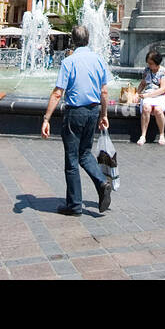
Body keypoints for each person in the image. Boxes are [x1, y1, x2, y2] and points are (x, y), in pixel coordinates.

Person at [41, 24, 112, 216]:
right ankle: (102, 182)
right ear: (88, 39)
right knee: (85, 153)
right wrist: (103, 114)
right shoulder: (99, 60)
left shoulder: (69, 62)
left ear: (72, 40)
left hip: (75, 113)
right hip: (93, 110)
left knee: (72, 159)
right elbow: (104, 91)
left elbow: (58, 93)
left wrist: (46, 118)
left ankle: (74, 205)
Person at [136, 49, 165, 145]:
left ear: (157, 63)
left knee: (158, 110)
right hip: (148, 96)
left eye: (151, 63)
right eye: (148, 63)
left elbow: (163, 89)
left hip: (159, 96)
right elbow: (143, 83)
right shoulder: (147, 70)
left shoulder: (164, 72)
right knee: (146, 108)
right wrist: (137, 93)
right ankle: (143, 135)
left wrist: (147, 95)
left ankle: (162, 134)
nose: (149, 65)